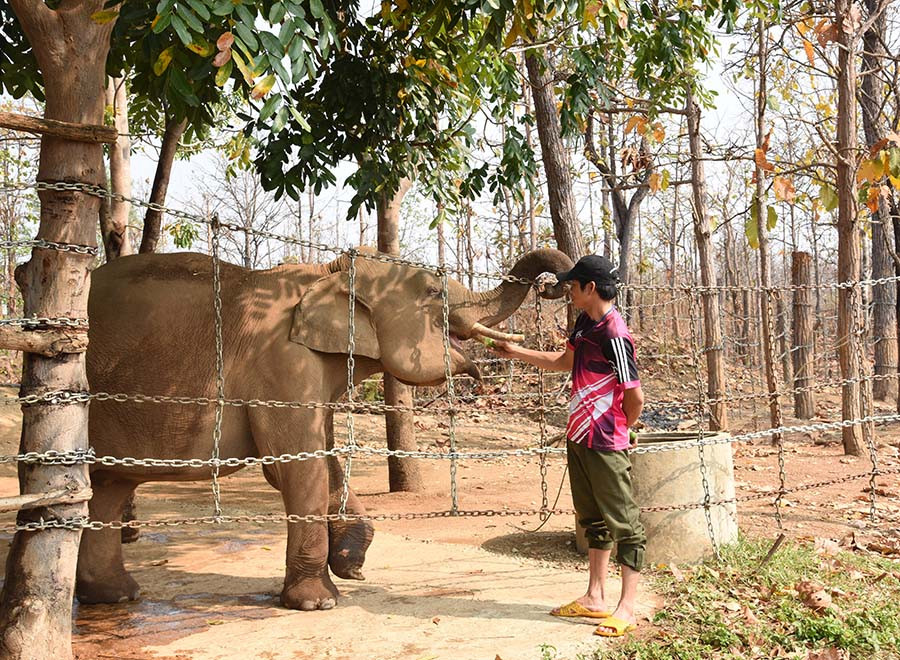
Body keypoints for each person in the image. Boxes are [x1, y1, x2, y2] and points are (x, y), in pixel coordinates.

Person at [489, 254, 646, 637]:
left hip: (606, 441)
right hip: (579, 436)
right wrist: (517, 354)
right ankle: (595, 596)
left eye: (573, 285)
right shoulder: (584, 324)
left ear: (590, 288)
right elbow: (565, 362)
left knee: (623, 522)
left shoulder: (615, 335)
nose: (568, 290)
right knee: (591, 518)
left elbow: (635, 397)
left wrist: (620, 428)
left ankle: (626, 606)